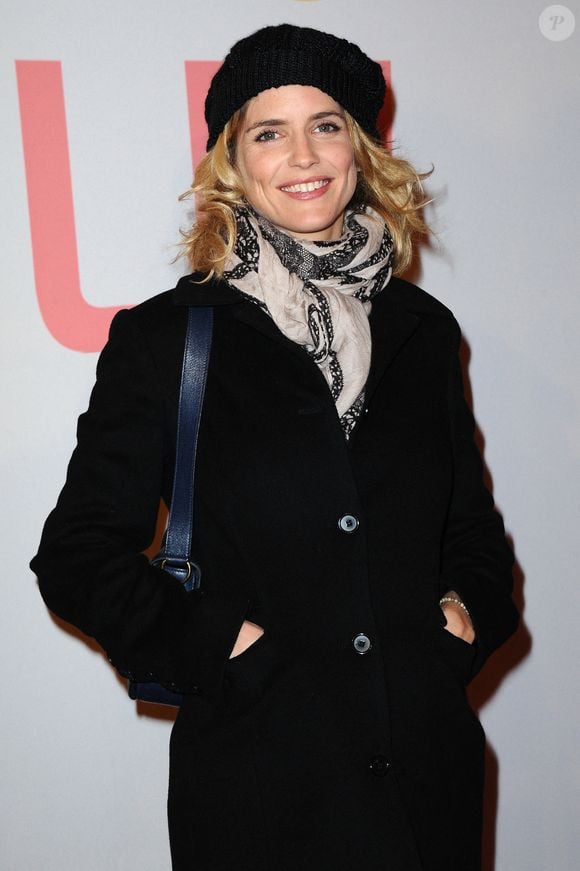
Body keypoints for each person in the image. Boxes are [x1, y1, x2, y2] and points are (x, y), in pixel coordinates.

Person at [31, 23, 519, 871]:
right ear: (233, 159)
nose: (303, 155)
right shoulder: (169, 338)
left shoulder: (422, 330)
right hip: (258, 791)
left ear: (360, 147)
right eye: (269, 132)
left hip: (426, 788)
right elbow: (77, 555)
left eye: (326, 125)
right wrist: (226, 645)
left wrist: (463, 624)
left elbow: (470, 532)